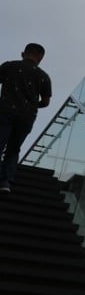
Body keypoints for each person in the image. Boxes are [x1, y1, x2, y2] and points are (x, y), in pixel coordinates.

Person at [0, 43, 52, 193]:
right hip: (26, 117)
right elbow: (46, 102)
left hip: (4, 110)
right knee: (13, 149)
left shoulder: (10, 66)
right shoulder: (44, 76)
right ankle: (5, 182)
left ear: (23, 54)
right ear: (40, 58)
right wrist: (33, 105)